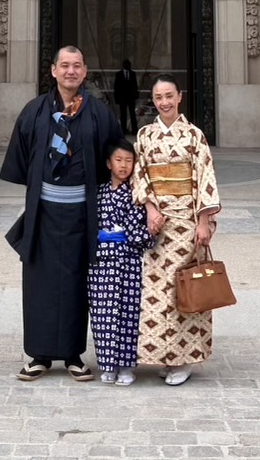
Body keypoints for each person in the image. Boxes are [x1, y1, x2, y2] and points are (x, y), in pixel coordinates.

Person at [0, 45, 122, 383]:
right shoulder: (34, 111)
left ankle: (72, 354)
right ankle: (38, 355)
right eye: (64, 65)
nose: (71, 71)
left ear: (85, 72)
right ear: (53, 71)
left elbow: (115, 157)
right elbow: (24, 158)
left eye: (77, 66)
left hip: (82, 213)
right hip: (44, 211)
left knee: (76, 284)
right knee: (38, 282)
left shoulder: (98, 112)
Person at [132, 77, 221, 386]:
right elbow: (140, 174)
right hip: (157, 224)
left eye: (169, 95)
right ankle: (162, 355)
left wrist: (203, 221)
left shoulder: (195, 136)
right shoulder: (145, 135)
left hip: (186, 221)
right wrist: (151, 209)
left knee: (184, 289)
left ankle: (184, 359)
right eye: (158, 97)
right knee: (156, 293)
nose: (164, 102)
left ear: (179, 97)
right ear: (153, 101)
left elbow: (204, 176)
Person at [87, 139, 154, 386]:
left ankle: (126, 366)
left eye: (128, 160)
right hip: (101, 264)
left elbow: (145, 233)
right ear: (108, 163)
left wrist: (129, 235)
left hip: (127, 261)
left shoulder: (138, 195)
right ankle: (107, 364)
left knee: (128, 313)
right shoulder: (98, 192)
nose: (124, 165)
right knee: (102, 313)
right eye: (118, 160)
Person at [112, 59, 140, 134]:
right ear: (124, 66)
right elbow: (116, 87)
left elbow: (135, 85)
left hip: (131, 98)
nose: (128, 66)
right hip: (122, 98)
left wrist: (136, 95)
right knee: (123, 115)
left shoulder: (133, 74)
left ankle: (134, 130)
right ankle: (123, 130)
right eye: (127, 65)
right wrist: (116, 98)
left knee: (132, 114)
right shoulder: (118, 74)